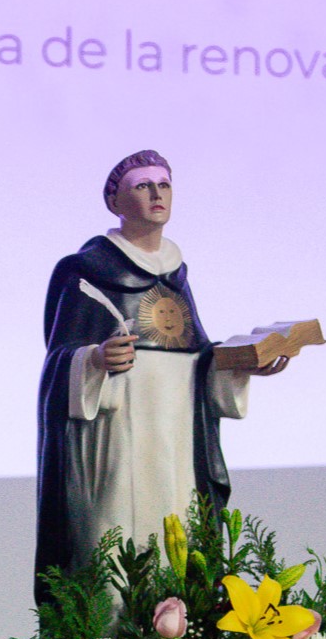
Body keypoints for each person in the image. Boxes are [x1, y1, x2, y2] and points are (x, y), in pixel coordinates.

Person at [34, 150, 284, 600]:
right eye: (143, 185)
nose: (156, 194)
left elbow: (196, 359)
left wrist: (241, 363)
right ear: (114, 201)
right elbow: (59, 361)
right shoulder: (85, 270)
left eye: (164, 185)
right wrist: (94, 359)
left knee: (180, 537)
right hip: (119, 435)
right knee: (114, 545)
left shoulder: (176, 274)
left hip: (179, 437)